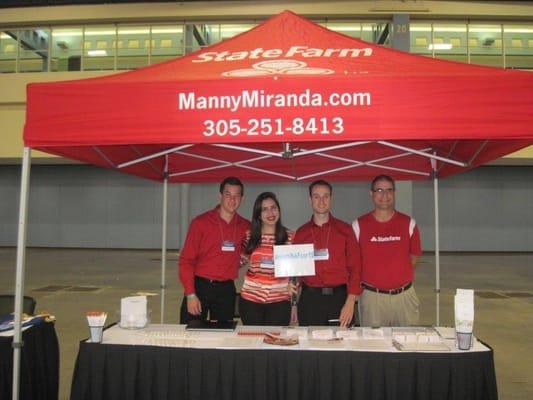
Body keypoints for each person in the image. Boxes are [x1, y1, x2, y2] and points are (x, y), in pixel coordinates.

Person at [353, 174, 422, 327]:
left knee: (408, 345)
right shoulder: (358, 225)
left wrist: (395, 276)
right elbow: (354, 263)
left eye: (389, 190)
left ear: (394, 193)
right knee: (374, 346)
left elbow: (414, 258)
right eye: (379, 190)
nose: (385, 195)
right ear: (371, 194)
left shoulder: (409, 223)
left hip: (404, 298)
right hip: (372, 299)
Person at [178, 177, 250, 324]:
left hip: (226, 290)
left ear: (242, 198)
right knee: (191, 334)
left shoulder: (246, 226)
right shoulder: (200, 223)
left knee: (222, 337)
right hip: (199, 288)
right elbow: (186, 261)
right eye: (228, 195)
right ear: (220, 196)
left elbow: (252, 248)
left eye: (237, 196)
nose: (232, 200)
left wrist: (242, 257)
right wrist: (190, 294)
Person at [293, 180, 361, 327]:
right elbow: (295, 275)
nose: (321, 201)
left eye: (326, 196)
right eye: (317, 197)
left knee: (341, 347)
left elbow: (355, 268)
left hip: (340, 300)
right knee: (310, 346)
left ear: (331, 198)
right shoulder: (301, 233)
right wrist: (293, 303)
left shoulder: (346, 231)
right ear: (310, 199)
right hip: (310, 301)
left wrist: (350, 302)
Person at [239, 192, 293, 326]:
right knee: (253, 343)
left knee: (275, 344)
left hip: (279, 302)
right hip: (250, 301)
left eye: (273, 207)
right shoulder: (249, 236)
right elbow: (238, 262)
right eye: (265, 209)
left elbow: (296, 274)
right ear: (258, 214)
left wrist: (295, 301)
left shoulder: (291, 237)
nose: (270, 213)